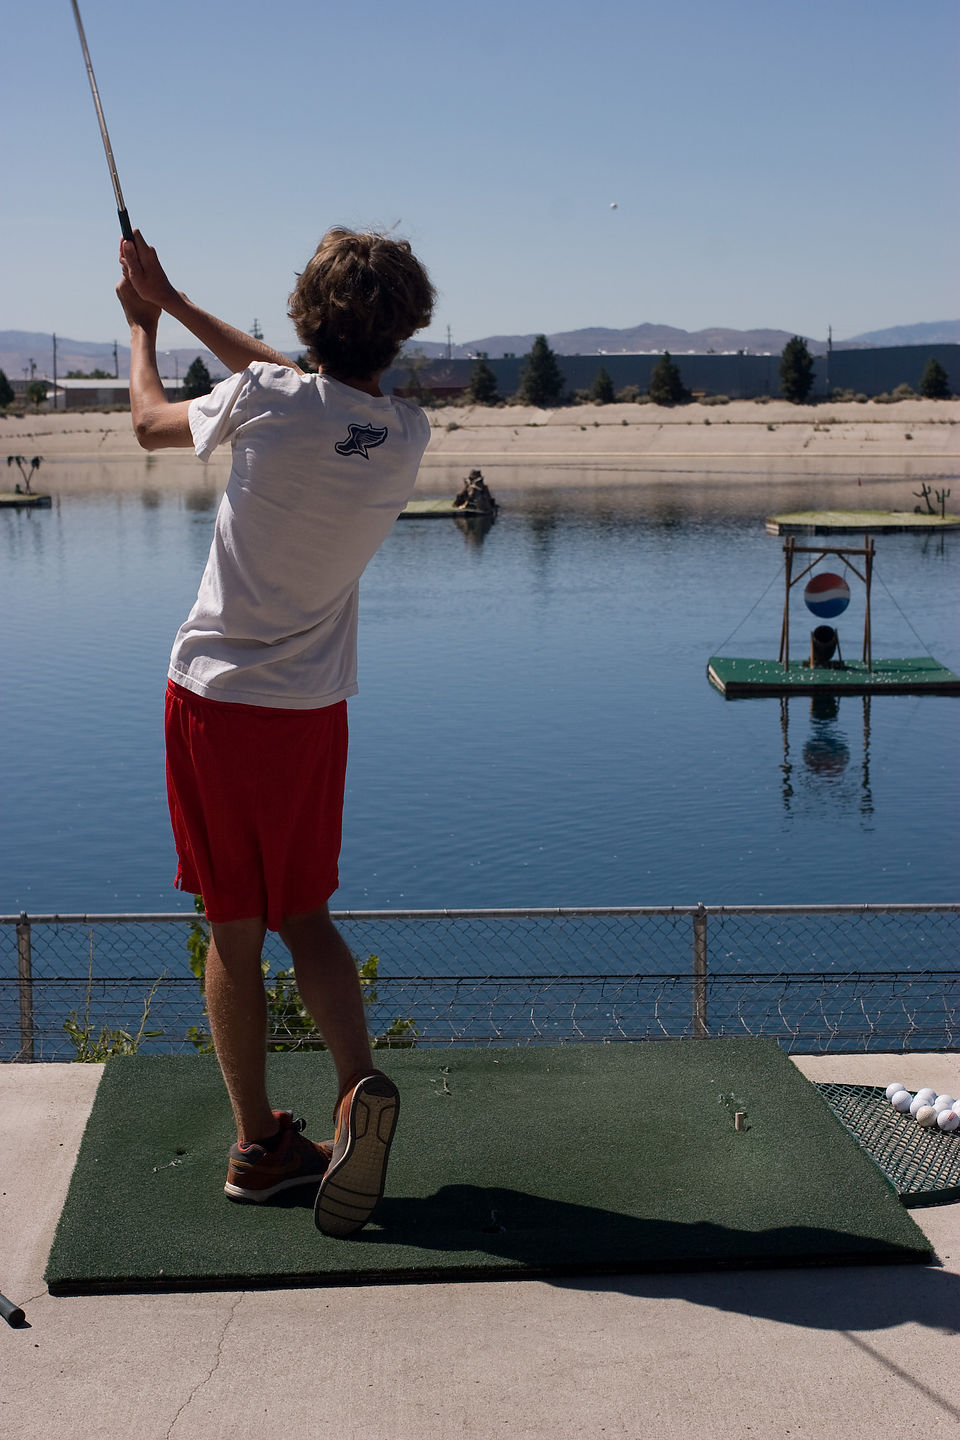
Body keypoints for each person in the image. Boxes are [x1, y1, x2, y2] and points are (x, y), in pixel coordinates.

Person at [116, 226, 435, 1236]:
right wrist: (174, 298)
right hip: (313, 712)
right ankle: (354, 1091)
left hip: (214, 701)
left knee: (232, 926)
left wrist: (141, 330)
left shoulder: (263, 402)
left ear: (306, 315)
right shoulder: (404, 431)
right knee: (306, 913)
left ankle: (259, 1147)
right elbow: (300, 383)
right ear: (404, 329)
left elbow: (149, 425)